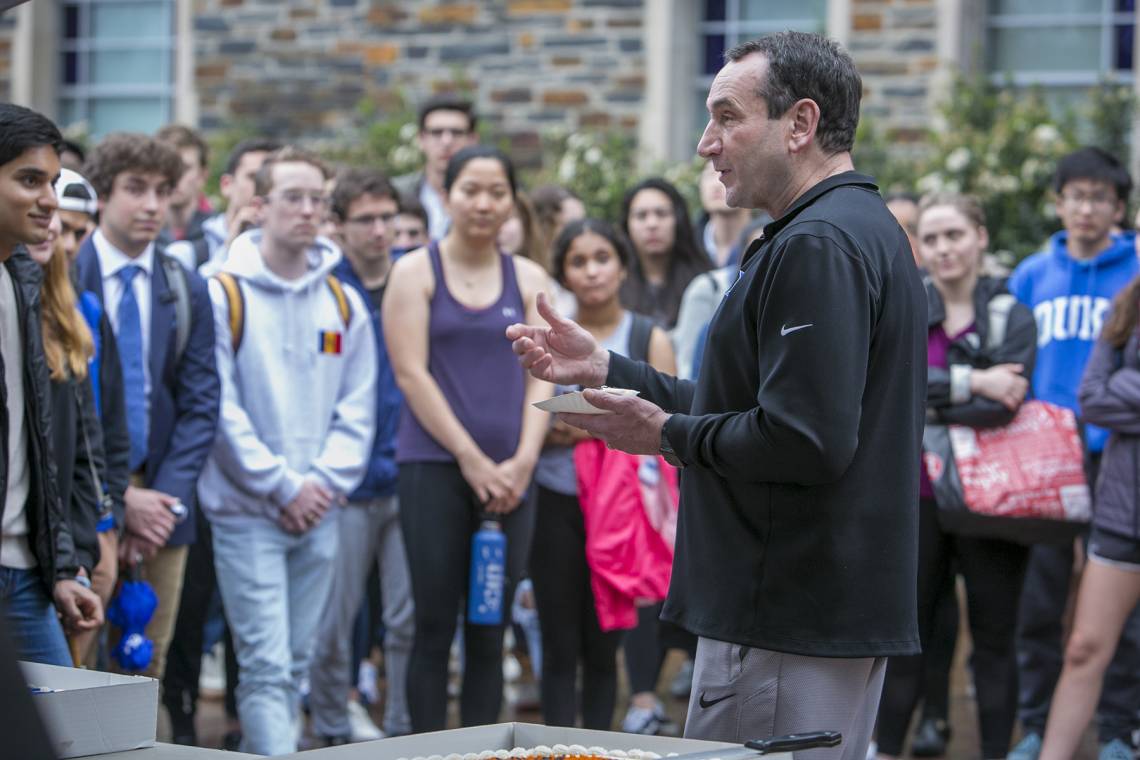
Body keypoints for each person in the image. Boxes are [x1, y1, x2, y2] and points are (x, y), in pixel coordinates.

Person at [508, 32, 926, 760]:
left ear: (799, 124)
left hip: (785, 614)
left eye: (727, 116)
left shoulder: (818, 242)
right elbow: (756, 402)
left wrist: (667, 435)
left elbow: (805, 438)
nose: (706, 143)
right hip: (809, 609)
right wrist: (610, 366)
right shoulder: (847, 228)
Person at [197, 146, 377, 756]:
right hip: (249, 514)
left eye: (317, 200)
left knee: (295, 664)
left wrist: (320, 482)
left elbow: (358, 406)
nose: (307, 211)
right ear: (257, 206)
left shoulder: (343, 301)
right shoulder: (221, 293)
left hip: (320, 508)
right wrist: (281, 485)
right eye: (292, 198)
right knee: (268, 666)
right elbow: (218, 408)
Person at [384, 145, 553, 733]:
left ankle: (484, 749)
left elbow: (544, 375)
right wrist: (472, 459)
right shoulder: (413, 272)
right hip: (433, 469)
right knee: (432, 626)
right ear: (447, 196)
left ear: (511, 201)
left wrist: (523, 460)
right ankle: (426, 749)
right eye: (470, 191)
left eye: (497, 192)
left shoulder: (530, 278)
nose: (483, 204)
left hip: (512, 481)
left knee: (491, 626)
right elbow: (411, 374)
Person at [873, 193, 1036, 760]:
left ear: (981, 237)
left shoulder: (1010, 313)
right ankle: (884, 749)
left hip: (994, 502)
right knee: (906, 637)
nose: (943, 249)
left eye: (955, 235)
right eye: (933, 238)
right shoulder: (908, 306)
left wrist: (938, 395)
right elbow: (893, 388)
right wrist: (976, 383)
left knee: (993, 640)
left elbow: (1007, 404)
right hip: (916, 498)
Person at [1006, 147, 1140, 760]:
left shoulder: (1133, 270)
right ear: (1059, 204)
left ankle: (1117, 728)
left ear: (1118, 207)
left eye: (1099, 198)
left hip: (1117, 457)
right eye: (1076, 196)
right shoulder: (1032, 274)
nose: (1086, 208)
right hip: (1046, 456)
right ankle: (1035, 722)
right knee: (1042, 595)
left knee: (1122, 603)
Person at [75, 133, 221, 681]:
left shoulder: (184, 284)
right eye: (136, 189)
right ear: (102, 194)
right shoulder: (65, 274)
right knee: (77, 657)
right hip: (84, 493)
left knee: (145, 662)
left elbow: (201, 403)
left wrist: (159, 501)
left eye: (163, 190)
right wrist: (118, 496)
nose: (152, 205)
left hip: (163, 501)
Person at [530, 219, 676, 731]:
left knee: (604, 638)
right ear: (563, 273)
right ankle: (551, 745)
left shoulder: (647, 335)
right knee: (558, 638)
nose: (592, 272)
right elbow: (525, 415)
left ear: (622, 265)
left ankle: (594, 741)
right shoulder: (547, 336)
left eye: (602, 258)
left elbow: (665, 422)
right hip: (555, 496)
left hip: (623, 508)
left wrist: (585, 429)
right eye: (578, 261)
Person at [309, 168, 414, 745]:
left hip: (408, 473)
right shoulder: (322, 288)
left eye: (387, 218)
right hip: (344, 482)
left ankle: (401, 733)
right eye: (366, 220)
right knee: (333, 620)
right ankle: (328, 729)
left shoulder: (414, 281)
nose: (380, 231)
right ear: (338, 226)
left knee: (405, 619)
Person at [0, 103, 103, 665]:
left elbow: (39, 443)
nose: (48, 199)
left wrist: (63, 567)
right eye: (29, 180)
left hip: (28, 576)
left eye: (53, 181)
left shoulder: (21, 282)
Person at [1038, 274, 1140, 760]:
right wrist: (1115, 386)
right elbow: (1094, 397)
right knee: (1082, 647)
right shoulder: (1126, 307)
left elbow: (1113, 391)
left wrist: (1127, 382)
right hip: (1123, 513)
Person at [25, 211, 116, 668]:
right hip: (20, 552)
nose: (53, 228)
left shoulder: (70, 322)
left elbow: (86, 455)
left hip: (44, 563)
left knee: (63, 702)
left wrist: (74, 559)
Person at [167, 138, 282, 274]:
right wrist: (230, 247)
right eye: (253, 177)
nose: (264, 187)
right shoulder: (187, 253)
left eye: (274, 180)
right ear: (226, 184)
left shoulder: (300, 250)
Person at [619, 178, 711, 330]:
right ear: (627, 224)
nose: (652, 224)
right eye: (641, 216)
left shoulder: (704, 283)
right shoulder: (613, 284)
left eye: (661, 214)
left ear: (678, 220)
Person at [392, 95, 478, 241]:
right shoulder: (396, 193)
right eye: (437, 133)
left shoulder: (488, 198)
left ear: (472, 140)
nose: (446, 142)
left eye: (456, 133)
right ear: (421, 139)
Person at [156, 125, 213, 246]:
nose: (176, 176)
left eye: (185, 168)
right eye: (168, 166)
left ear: (202, 176)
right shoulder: (141, 234)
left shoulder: (217, 233)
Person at [695, 160, 752, 268]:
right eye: (710, 175)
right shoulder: (687, 246)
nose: (716, 184)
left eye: (726, 172)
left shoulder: (770, 240)